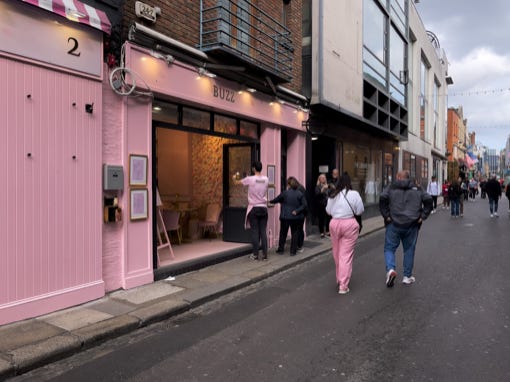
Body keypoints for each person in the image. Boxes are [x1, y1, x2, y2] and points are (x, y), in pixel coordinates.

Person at [379, 170, 433, 287]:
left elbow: (383, 198)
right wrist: (422, 216)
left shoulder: (391, 187)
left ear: (398, 177)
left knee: (389, 248)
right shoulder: (417, 188)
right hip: (412, 224)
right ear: (408, 178)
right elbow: (429, 200)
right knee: (409, 250)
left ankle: (390, 269)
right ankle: (407, 276)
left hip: (393, 223)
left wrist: (387, 216)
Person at [326, 172, 364, 294]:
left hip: (334, 223)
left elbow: (328, 211)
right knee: (346, 255)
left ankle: (339, 278)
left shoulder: (333, 194)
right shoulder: (354, 194)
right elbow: (359, 211)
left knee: (337, 253)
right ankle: (343, 285)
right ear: (349, 182)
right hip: (349, 224)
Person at [232, 161, 269, 260]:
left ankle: (255, 254)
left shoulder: (250, 179)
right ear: (261, 168)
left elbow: (236, 182)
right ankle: (265, 255)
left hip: (254, 208)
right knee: (263, 232)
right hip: (263, 208)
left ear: (253, 168)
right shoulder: (266, 179)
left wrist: (234, 177)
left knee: (255, 232)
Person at [270, 176, 308, 256]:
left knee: (283, 233)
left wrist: (269, 201)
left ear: (289, 185)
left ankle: (280, 250)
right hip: (295, 217)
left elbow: (276, 200)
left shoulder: (285, 193)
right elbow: (304, 205)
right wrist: (297, 211)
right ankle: (293, 252)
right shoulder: (299, 194)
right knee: (294, 234)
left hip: (285, 216)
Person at [314, 174, 329, 238]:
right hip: (321, 205)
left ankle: (328, 231)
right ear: (319, 179)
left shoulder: (328, 186)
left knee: (328, 218)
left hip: (328, 205)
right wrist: (322, 189)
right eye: (322, 178)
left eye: (324, 178)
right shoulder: (317, 187)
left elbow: (330, 193)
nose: (323, 179)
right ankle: (322, 232)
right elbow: (317, 195)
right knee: (321, 219)